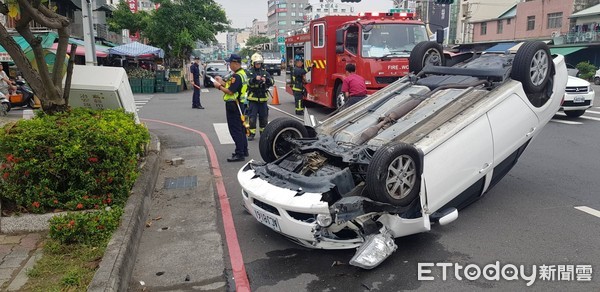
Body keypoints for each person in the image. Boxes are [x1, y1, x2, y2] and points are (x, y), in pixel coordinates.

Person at [213, 54, 249, 162]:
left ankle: (239, 153)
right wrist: (222, 82)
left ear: (236, 63)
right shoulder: (241, 73)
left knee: (235, 130)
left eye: (230, 63)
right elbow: (231, 86)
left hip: (234, 104)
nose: (229, 65)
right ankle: (244, 150)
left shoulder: (236, 76)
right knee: (242, 129)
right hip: (241, 104)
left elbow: (230, 91)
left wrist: (219, 86)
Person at [246, 53, 273, 141]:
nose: (258, 65)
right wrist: (254, 79)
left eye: (260, 63)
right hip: (253, 99)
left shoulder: (265, 72)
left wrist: (267, 80)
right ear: (253, 63)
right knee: (252, 118)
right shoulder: (249, 72)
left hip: (263, 99)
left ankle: (263, 133)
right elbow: (247, 82)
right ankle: (251, 134)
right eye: (257, 63)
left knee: (264, 118)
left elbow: (272, 81)